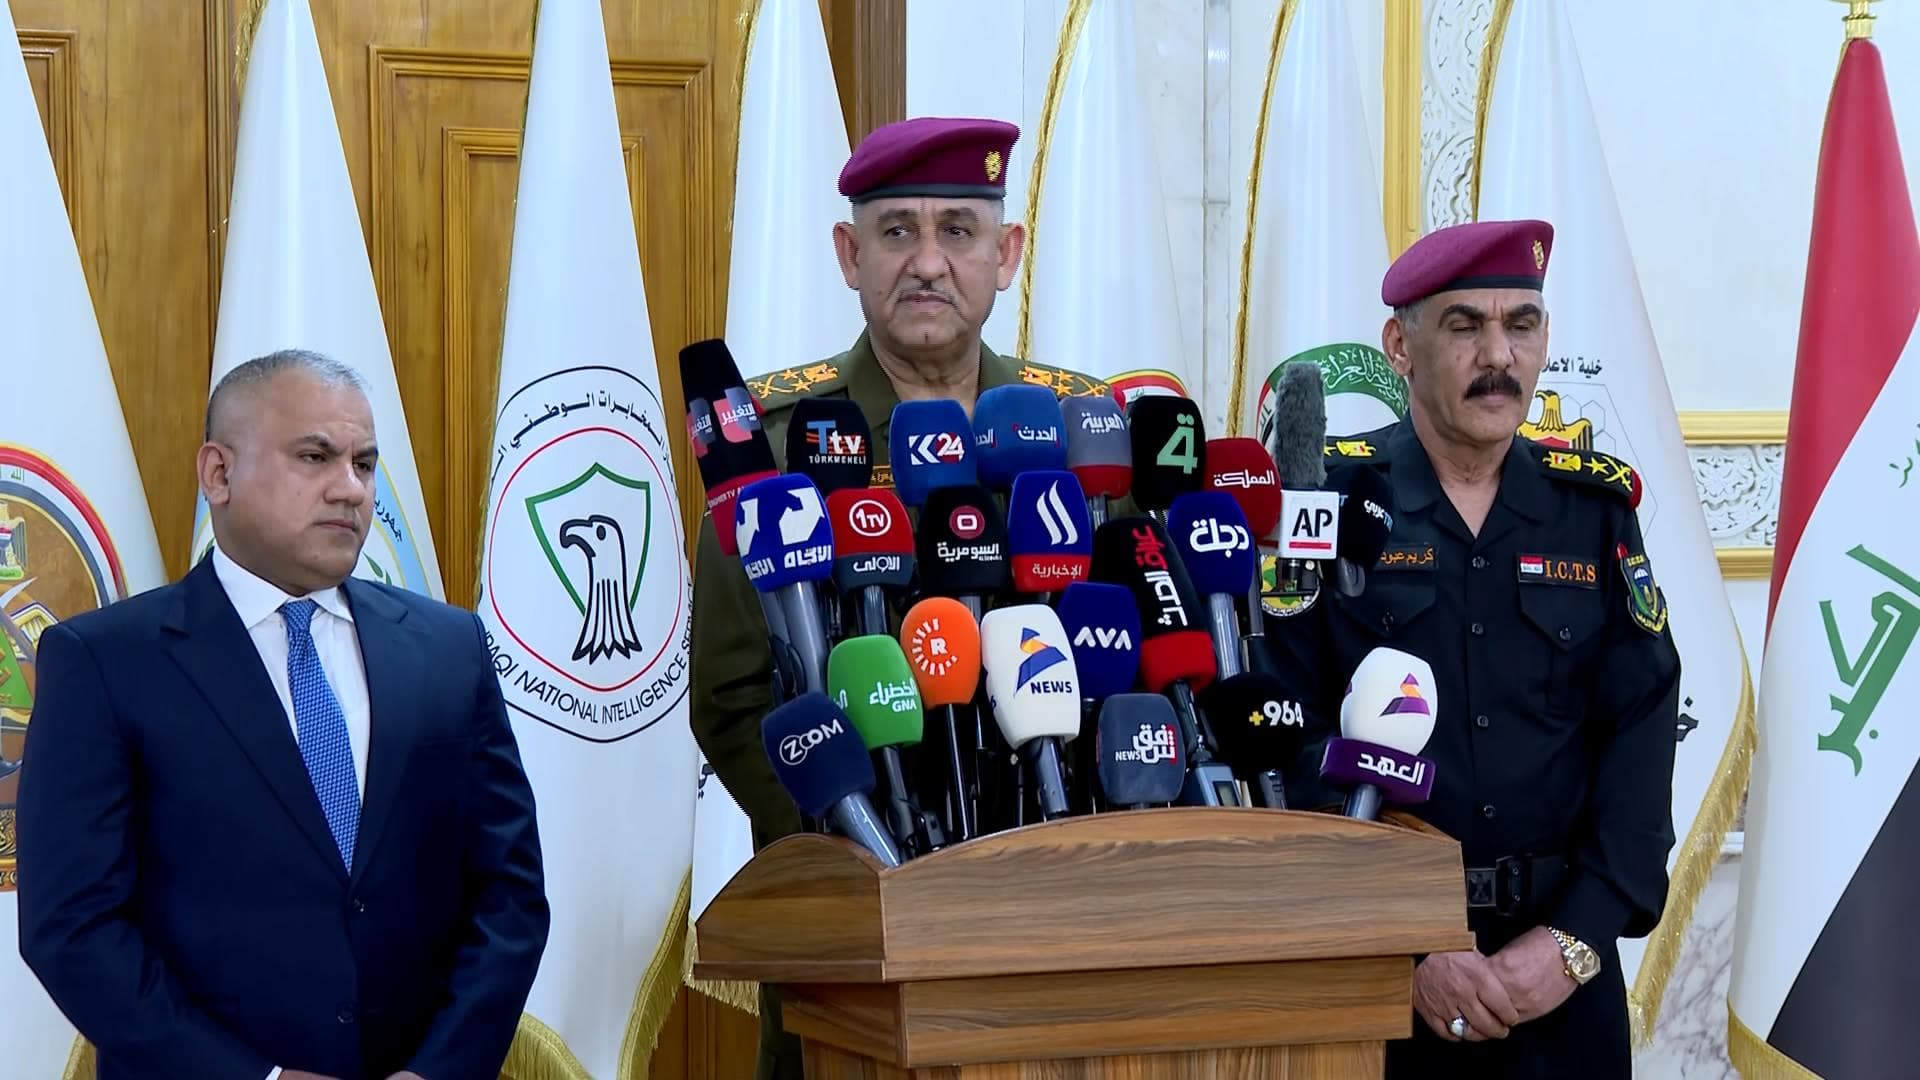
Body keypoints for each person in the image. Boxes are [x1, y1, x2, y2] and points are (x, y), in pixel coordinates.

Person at [688, 116, 1109, 1080]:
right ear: (850, 255)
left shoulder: (1076, 431)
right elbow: (733, 695)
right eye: (896, 232)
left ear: (1007, 255)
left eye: (958, 230)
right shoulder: (774, 443)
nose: (926, 262)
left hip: (1057, 932)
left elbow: (1117, 659)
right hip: (855, 941)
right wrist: (855, 856)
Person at [18, 351, 550, 1080]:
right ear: (219, 474)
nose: (351, 489)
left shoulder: (449, 648)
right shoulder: (106, 663)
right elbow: (72, 926)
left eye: (365, 464)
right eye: (315, 457)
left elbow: (510, 893)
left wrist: (438, 1070)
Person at [1265, 219, 1681, 1078]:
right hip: (1376, 982)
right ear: (1400, 346)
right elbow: (1283, 733)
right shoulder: (1328, 504)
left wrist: (1573, 941)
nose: (1499, 356)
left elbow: (1641, 727)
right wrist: (1410, 946)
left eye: (1521, 325)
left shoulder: (1592, 511)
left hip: (1561, 986)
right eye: (1465, 326)